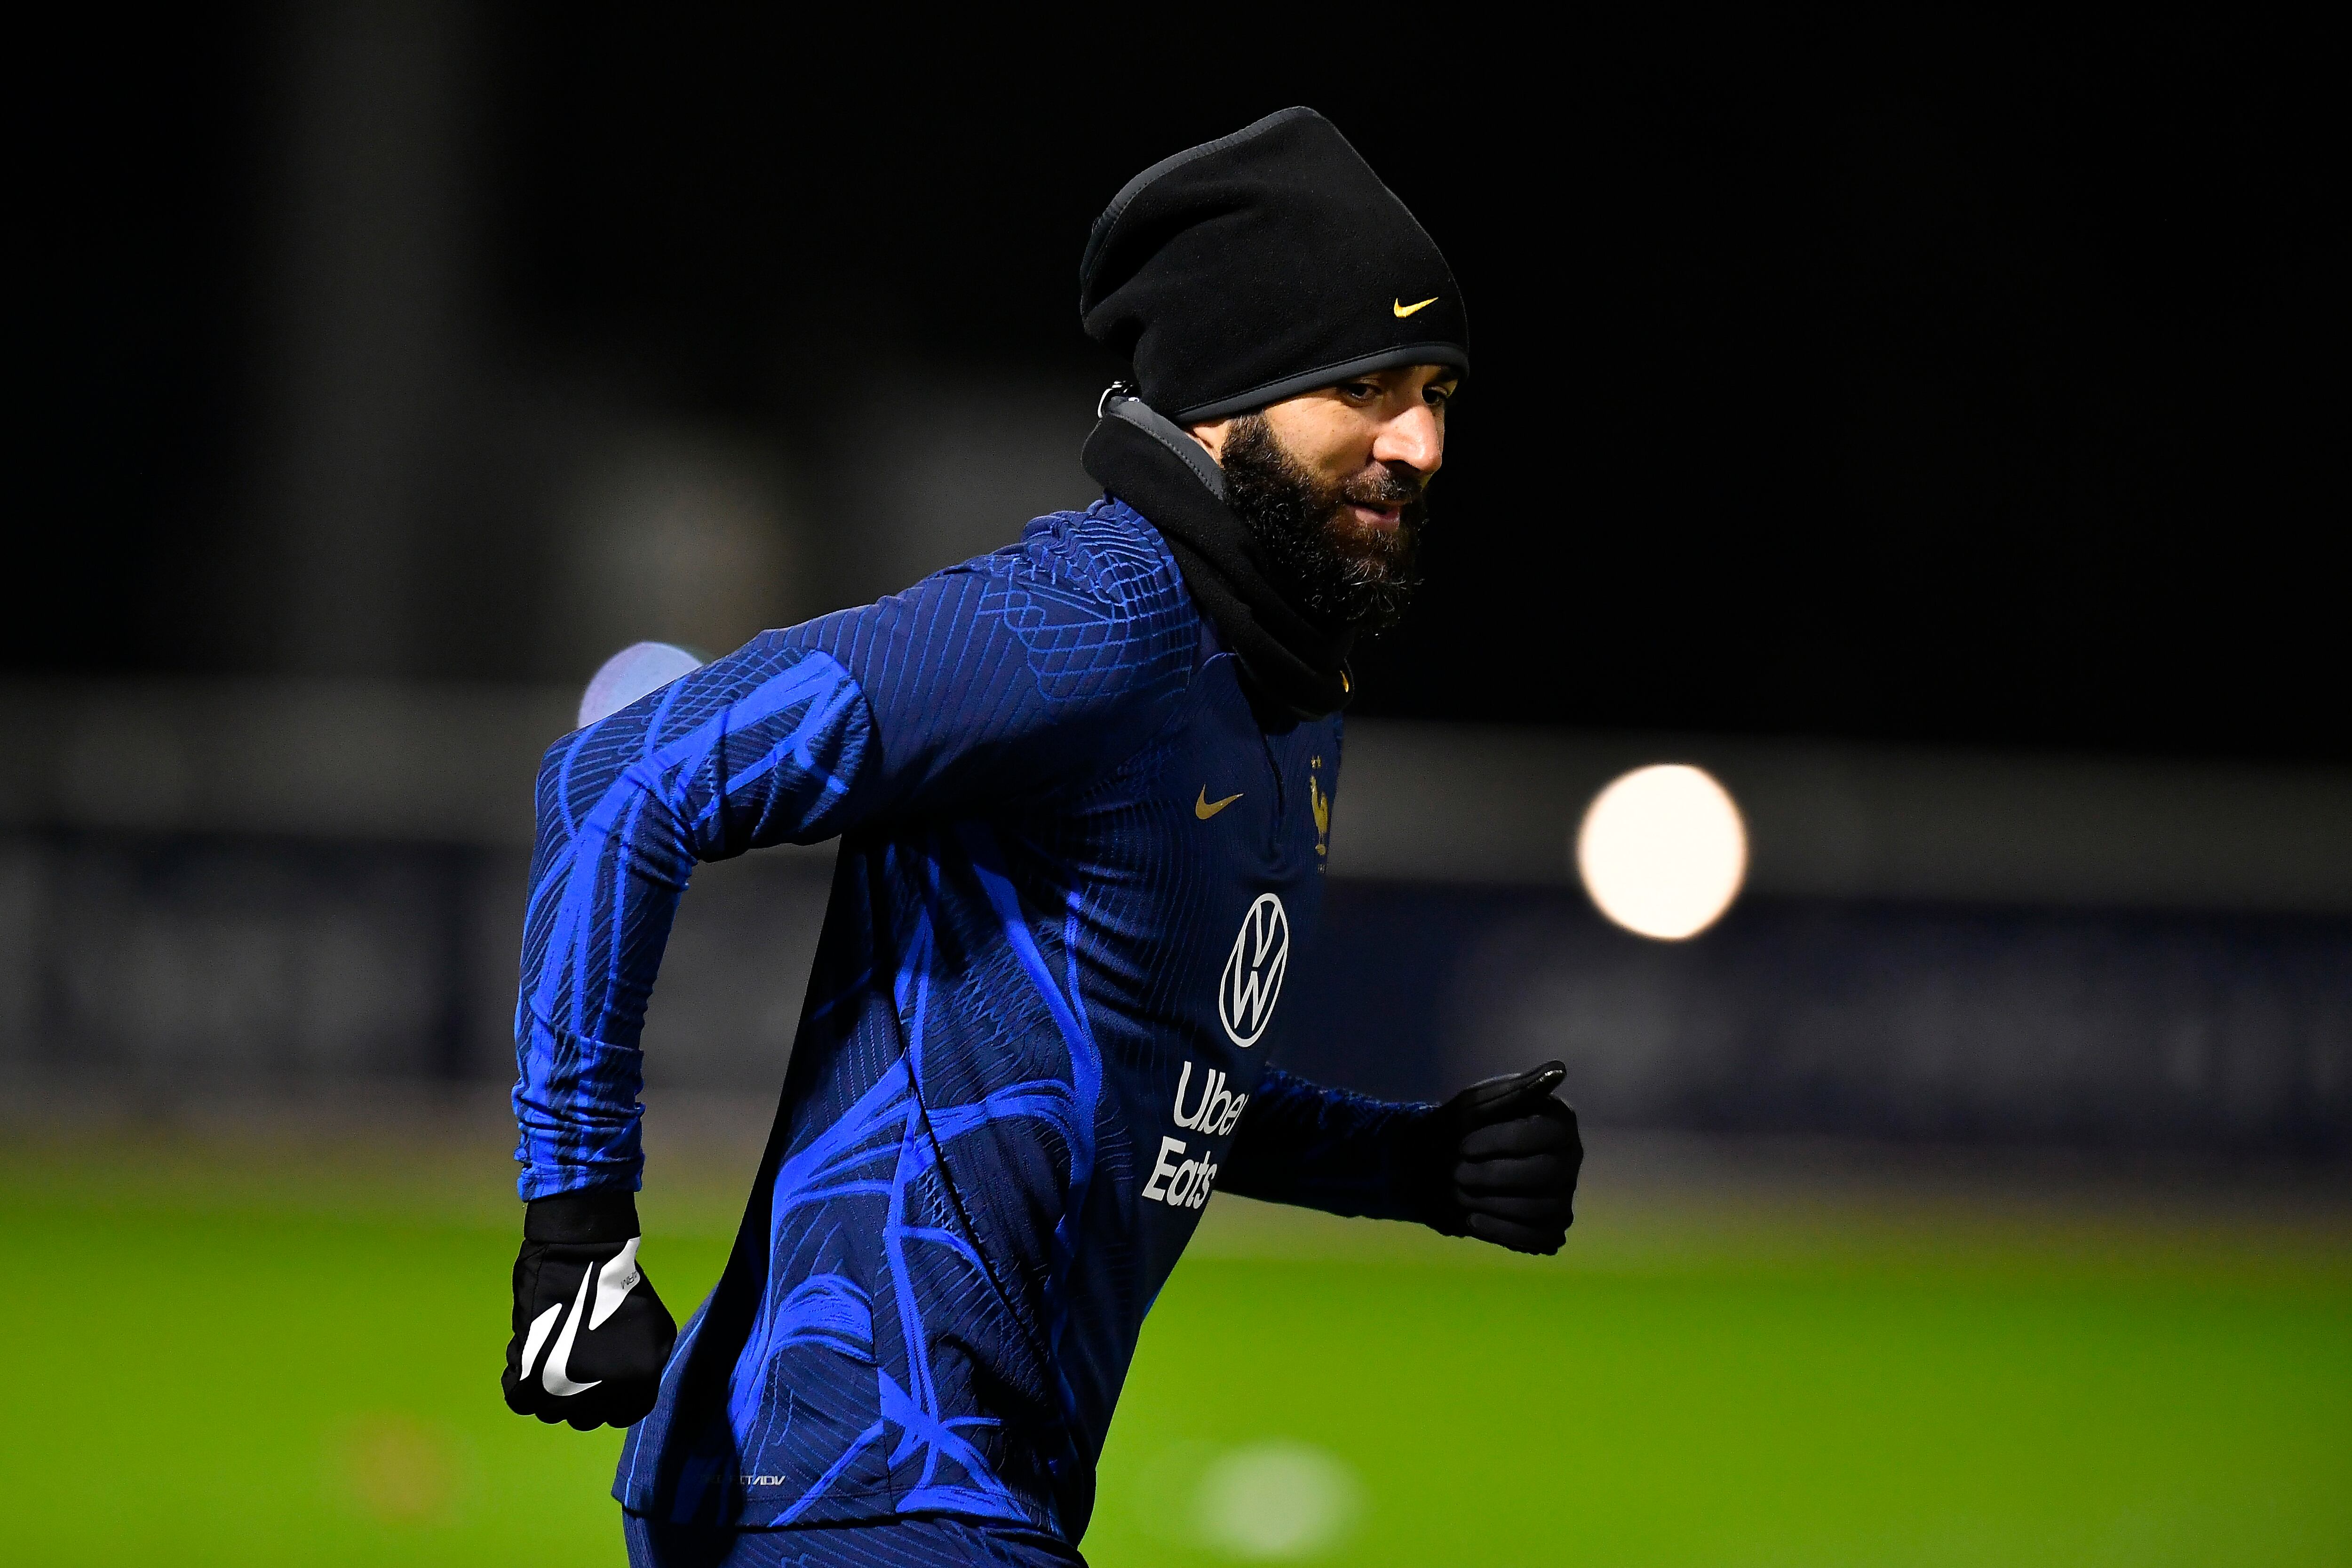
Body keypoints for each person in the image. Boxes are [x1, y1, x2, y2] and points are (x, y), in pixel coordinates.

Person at [501, 106, 1582, 1568]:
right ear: (1226, 403)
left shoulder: (1277, 688)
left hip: (933, 1501)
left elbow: (1123, 1072)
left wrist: (1408, 1169)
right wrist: (576, 1233)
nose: (1422, 441)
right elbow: (622, 778)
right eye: (1368, 386)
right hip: (860, 1488)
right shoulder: (1090, 618)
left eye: (1441, 389)